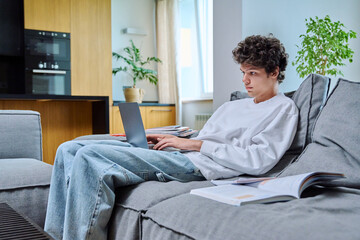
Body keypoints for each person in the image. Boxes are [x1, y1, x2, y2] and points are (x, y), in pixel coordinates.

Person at [44, 35, 299, 240]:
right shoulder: (233, 106)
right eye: (243, 72)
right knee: (69, 147)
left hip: (201, 166)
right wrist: (169, 137)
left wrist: (194, 144)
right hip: (183, 153)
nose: (245, 80)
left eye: (252, 73)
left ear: (274, 72)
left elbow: (258, 160)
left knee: (90, 156)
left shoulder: (283, 109)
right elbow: (207, 136)